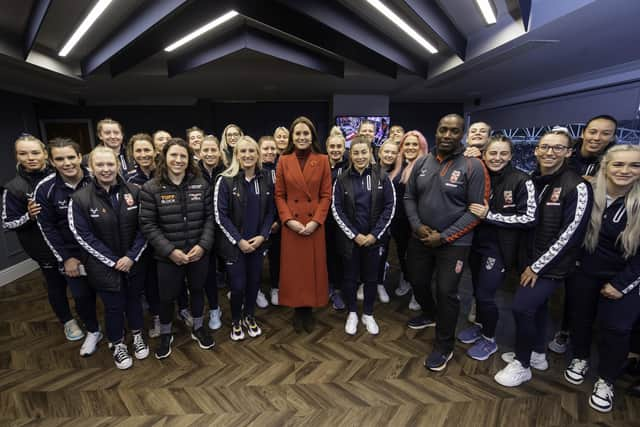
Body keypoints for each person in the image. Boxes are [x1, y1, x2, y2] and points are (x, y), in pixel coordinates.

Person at [494, 127, 593, 387]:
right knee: (537, 310)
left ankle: (523, 364)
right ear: (536, 150)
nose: (550, 152)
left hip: (551, 266)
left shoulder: (577, 185)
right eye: (545, 147)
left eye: (558, 147)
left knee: (522, 308)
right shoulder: (535, 179)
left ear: (569, 152)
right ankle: (538, 354)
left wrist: (537, 266)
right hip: (531, 259)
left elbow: (570, 233)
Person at [404, 115, 489, 371]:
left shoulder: (473, 166)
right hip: (420, 237)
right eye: (444, 130)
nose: (448, 135)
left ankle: (444, 345)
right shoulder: (422, 162)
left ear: (462, 134)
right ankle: (429, 314)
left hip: (454, 243)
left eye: (455, 131)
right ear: (436, 131)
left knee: (446, 292)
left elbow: (475, 210)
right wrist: (418, 226)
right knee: (417, 281)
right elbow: (409, 197)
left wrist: (443, 236)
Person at [559, 145, 640, 412]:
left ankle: (606, 379)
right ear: (605, 166)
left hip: (626, 277)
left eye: (634, 165)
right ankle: (580, 358)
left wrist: (620, 285)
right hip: (585, 270)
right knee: (579, 318)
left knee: (617, 329)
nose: (625, 171)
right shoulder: (588, 192)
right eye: (618, 164)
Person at [456, 136, 537, 361]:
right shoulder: (478, 174)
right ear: (484, 154)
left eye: (503, 153)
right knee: (476, 290)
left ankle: (489, 339)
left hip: (499, 249)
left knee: (485, 295)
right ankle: (481, 326)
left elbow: (530, 218)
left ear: (511, 155)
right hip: (475, 243)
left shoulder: (521, 179)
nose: (497, 158)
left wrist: (489, 215)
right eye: (493, 153)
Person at [68, 146, 149, 369]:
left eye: (110, 164)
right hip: (103, 267)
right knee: (113, 307)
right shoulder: (80, 199)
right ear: (91, 168)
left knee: (134, 302)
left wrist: (131, 257)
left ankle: (137, 335)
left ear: (118, 165)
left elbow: (146, 228)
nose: (106, 169)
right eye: (100, 165)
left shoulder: (134, 191)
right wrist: (113, 261)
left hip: (133, 262)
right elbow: (82, 236)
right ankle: (118, 343)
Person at [2, 134, 85, 341]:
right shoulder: (14, 187)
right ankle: (67, 320)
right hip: (43, 248)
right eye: (23, 153)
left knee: (81, 285)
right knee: (56, 285)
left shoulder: (61, 176)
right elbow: (8, 222)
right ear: (16, 156)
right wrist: (29, 216)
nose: (30, 157)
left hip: (72, 244)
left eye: (35, 152)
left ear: (45, 155)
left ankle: (88, 318)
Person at [139, 138, 215, 359]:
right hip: (168, 257)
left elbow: (211, 219)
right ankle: (165, 333)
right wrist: (170, 251)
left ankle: (199, 327)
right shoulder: (151, 188)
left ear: (189, 159)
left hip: (197, 254)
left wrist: (202, 246)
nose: (178, 160)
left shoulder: (201, 184)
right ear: (164, 157)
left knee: (198, 290)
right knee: (167, 297)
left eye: (183, 156)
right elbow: (148, 224)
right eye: (174, 155)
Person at [548, 115, 618, 354]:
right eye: (593, 132)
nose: (598, 138)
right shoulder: (567, 153)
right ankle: (565, 330)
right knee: (567, 287)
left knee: (585, 291)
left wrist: (594, 183)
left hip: (596, 235)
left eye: (605, 133)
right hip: (562, 228)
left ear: (612, 137)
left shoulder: (612, 161)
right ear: (584, 133)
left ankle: (576, 336)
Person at [34, 138, 101, 356]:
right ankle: (93, 331)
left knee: (111, 295)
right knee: (81, 297)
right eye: (60, 159)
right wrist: (66, 258)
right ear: (52, 161)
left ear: (79, 157)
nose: (67, 163)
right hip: (71, 255)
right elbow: (47, 229)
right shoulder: (45, 189)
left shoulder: (96, 178)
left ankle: (117, 334)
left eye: (71, 157)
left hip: (101, 251)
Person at [332, 137, 395, 335]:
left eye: (364, 152)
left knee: (370, 279)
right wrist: (354, 235)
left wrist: (374, 235)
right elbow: (336, 209)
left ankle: (368, 313)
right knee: (349, 278)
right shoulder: (341, 179)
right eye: (356, 153)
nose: (360, 156)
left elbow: (390, 207)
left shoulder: (382, 177)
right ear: (350, 155)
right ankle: (352, 312)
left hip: (374, 242)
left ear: (370, 153)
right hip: (351, 241)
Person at [214, 136, 275, 341]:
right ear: (236, 155)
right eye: (243, 152)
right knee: (238, 286)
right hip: (234, 246)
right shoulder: (225, 180)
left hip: (257, 244)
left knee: (253, 283)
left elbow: (270, 212)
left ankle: (249, 316)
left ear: (257, 155)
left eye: (252, 151)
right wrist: (239, 241)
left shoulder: (266, 177)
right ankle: (236, 320)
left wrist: (262, 236)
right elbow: (220, 215)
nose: (248, 155)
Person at [275, 116, 332, 333]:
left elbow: (326, 195)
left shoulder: (323, 160)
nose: (301, 137)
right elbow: (279, 195)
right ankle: (297, 309)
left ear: (312, 136)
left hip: (314, 224)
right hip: (292, 224)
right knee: (294, 269)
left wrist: (316, 221)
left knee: (312, 269)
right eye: (297, 133)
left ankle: (308, 308)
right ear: (292, 136)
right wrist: (288, 220)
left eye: (305, 133)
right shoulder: (283, 160)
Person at [389, 131, 428, 306]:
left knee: (416, 258)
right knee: (402, 254)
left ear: (421, 146)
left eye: (415, 144)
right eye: (407, 144)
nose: (411, 147)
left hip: (416, 221)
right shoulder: (399, 164)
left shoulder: (426, 165)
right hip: (398, 220)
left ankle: (418, 292)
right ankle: (406, 279)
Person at [198, 135, 227, 329]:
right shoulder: (192, 173)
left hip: (225, 231)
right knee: (208, 274)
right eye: (205, 150)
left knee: (230, 271)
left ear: (219, 151)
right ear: (199, 153)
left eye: (213, 150)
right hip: (203, 232)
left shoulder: (227, 172)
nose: (209, 154)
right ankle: (214, 309)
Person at [326, 131, 348, 310]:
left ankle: (340, 290)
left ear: (344, 148)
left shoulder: (349, 166)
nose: (335, 150)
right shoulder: (320, 166)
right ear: (327, 148)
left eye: (338, 146)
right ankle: (328, 287)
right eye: (332, 146)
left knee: (341, 256)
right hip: (324, 221)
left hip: (344, 221)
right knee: (327, 255)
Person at [258, 135, 281, 306]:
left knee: (277, 258)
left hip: (279, 224)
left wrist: (279, 222)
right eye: (266, 148)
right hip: (259, 225)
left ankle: (275, 288)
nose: (269, 151)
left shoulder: (282, 168)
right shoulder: (255, 170)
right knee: (257, 260)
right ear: (259, 150)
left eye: (272, 148)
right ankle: (256, 290)